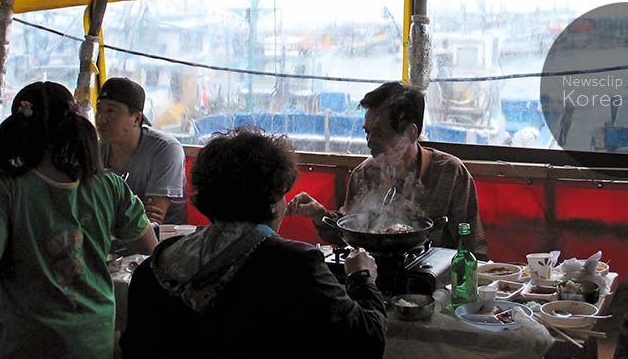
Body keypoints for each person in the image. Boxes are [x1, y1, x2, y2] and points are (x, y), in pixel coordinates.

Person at [120, 128, 388, 359]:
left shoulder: (153, 268)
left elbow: (133, 348)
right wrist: (362, 278)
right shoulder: (297, 265)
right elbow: (368, 342)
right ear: (273, 202)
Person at [0, 81, 156, 359]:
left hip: (29, 343)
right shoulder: (110, 185)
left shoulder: (7, 187)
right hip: (95, 339)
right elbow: (150, 248)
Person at [288, 82, 489, 259]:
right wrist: (319, 213)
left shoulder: (450, 174)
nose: (369, 142)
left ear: (411, 133)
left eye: (380, 134)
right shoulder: (364, 175)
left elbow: (473, 250)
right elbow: (349, 232)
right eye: (367, 132)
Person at [96, 77, 187, 224]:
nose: (101, 119)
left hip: (162, 238)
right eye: (98, 110)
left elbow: (150, 222)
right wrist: (135, 211)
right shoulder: (96, 149)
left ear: (137, 119)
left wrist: (102, 209)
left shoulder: (165, 149)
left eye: (111, 111)